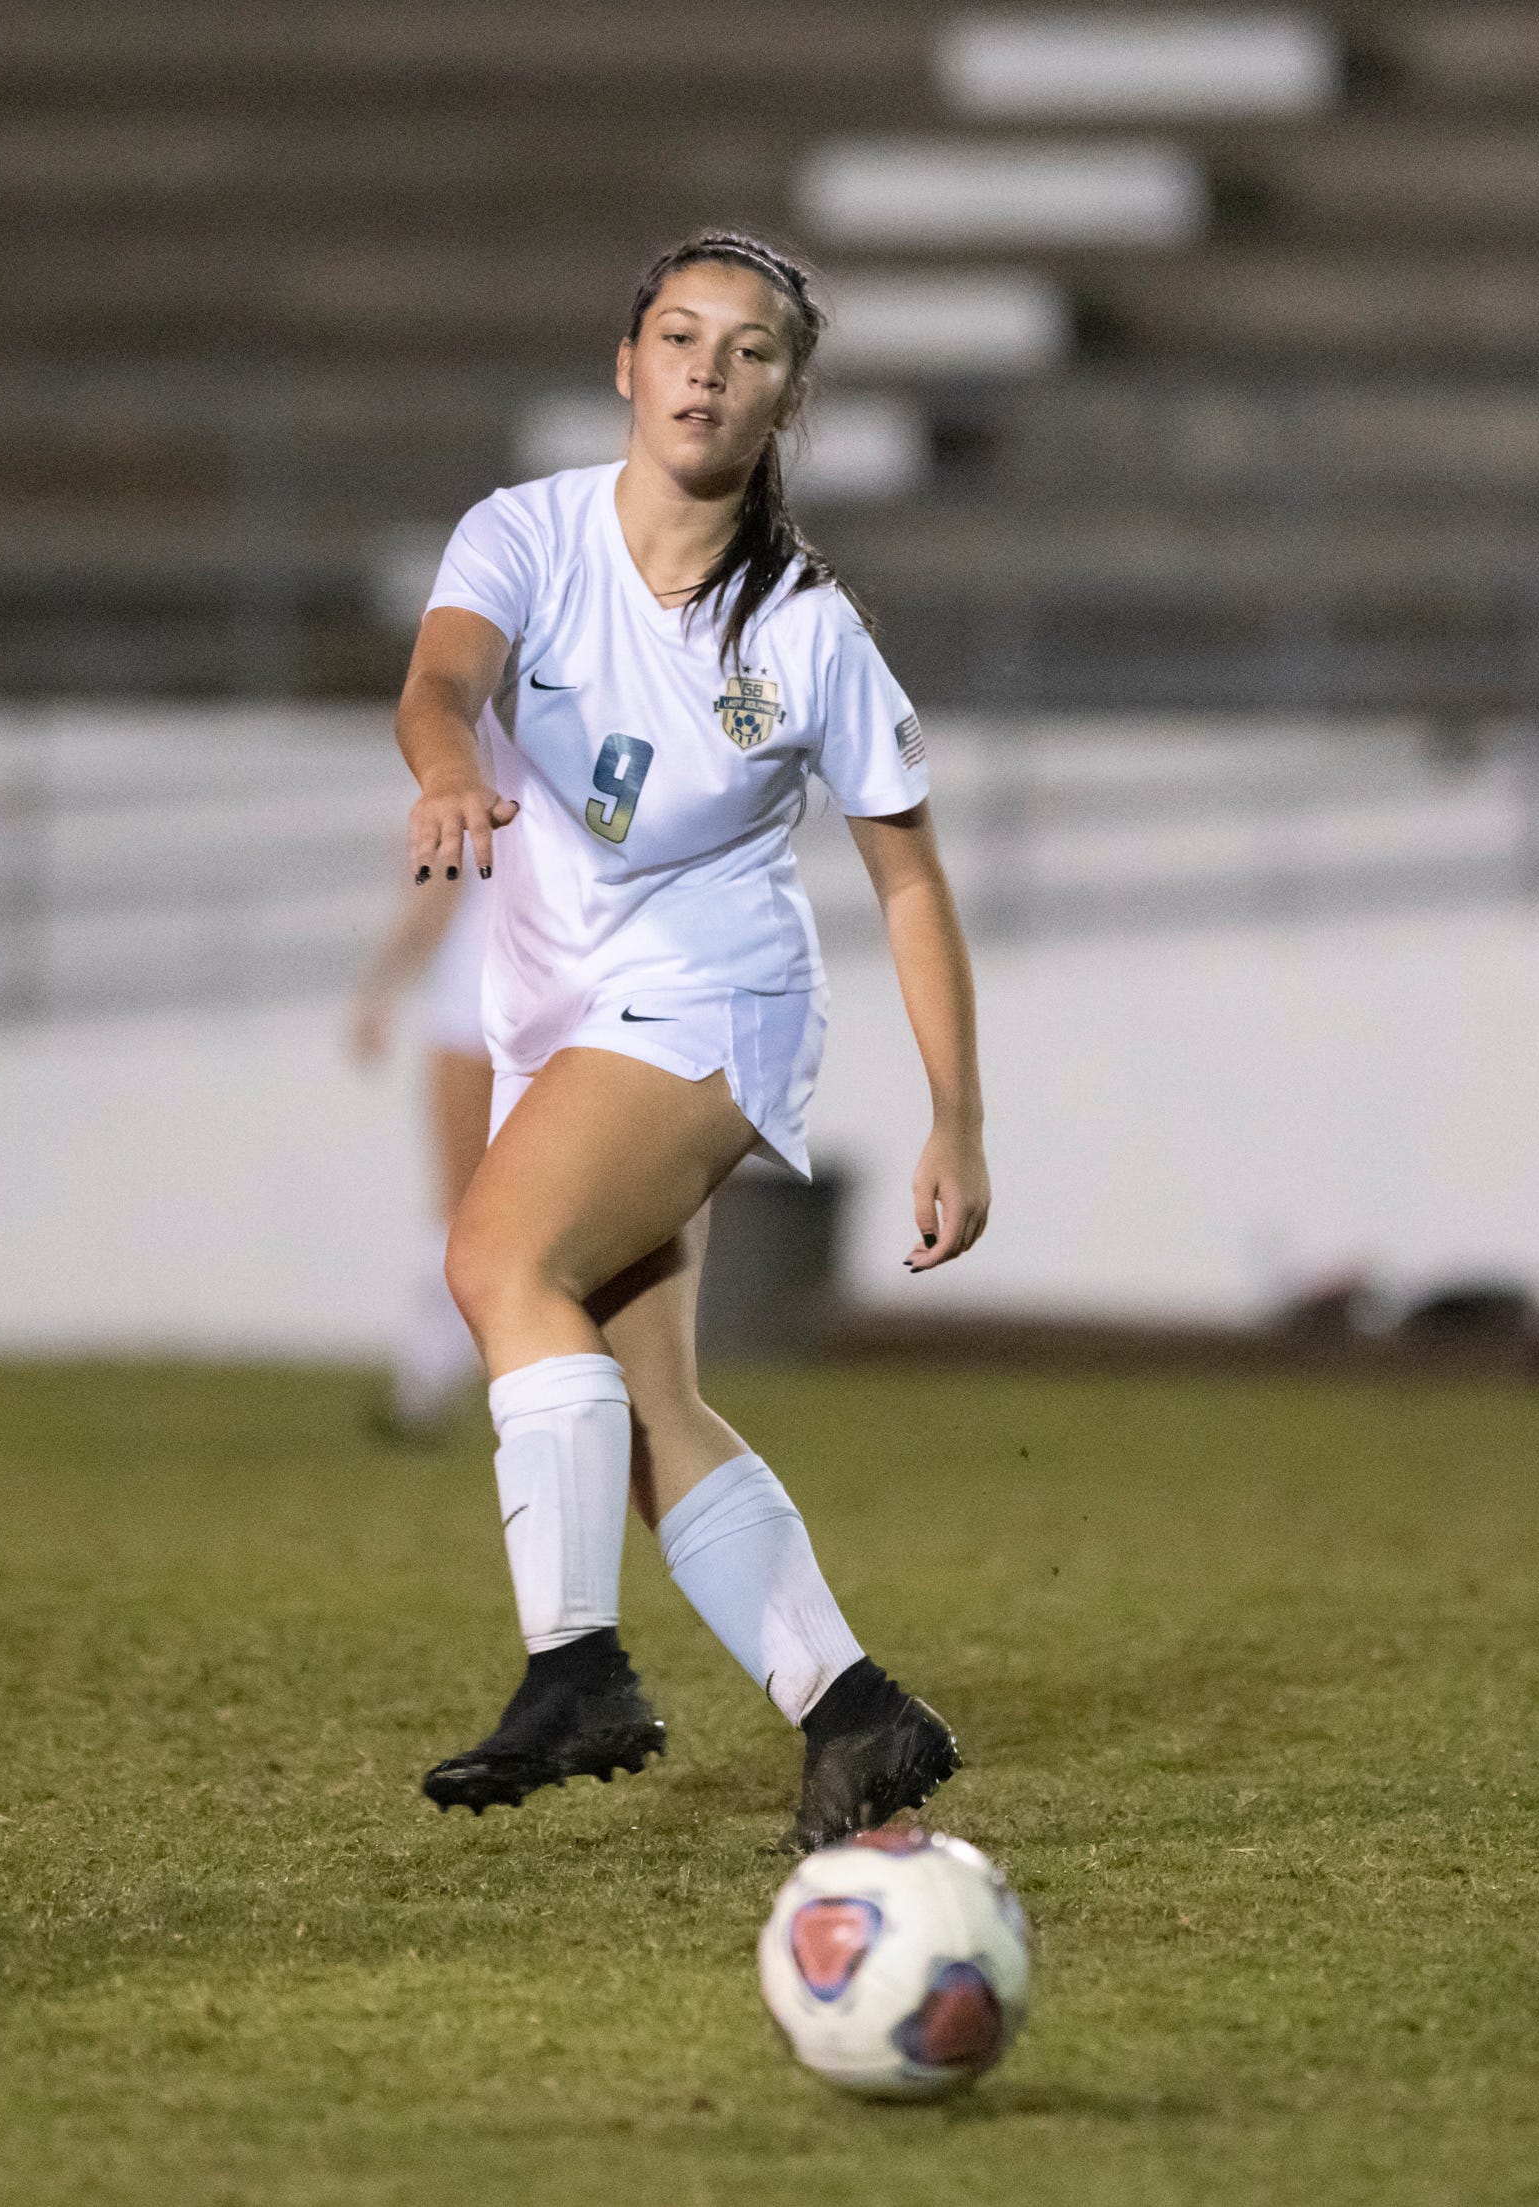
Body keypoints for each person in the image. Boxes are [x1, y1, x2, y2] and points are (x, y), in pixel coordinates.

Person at [395, 231, 990, 1851]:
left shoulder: (803, 627)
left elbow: (912, 882)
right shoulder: (528, 533)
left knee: (494, 1262)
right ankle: (857, 1712)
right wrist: (447, 768)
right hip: (559, 1010)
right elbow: (440, 680)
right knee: (653, 1415)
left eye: (747, 349)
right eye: (678, 335)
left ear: (787, 396)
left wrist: (958, 1121)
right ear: (627, 364)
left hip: (714, 1002)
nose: (707, 369)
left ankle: (575, 1665)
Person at [346, 864, 493, 1442]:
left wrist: (378, 986)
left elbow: (436, 893)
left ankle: (429, 1381)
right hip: (554, 1001)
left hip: (472, 1002)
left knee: (457, 1206)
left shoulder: (467, 781)